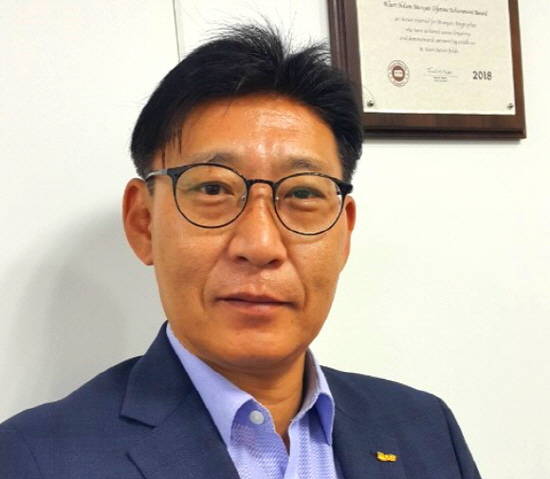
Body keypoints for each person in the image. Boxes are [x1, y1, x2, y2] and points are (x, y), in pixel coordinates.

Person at [0, 25, 481, 478]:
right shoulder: (35, 458)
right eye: (213, 189)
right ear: (143, 223)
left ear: (344, 232)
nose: (260, 245)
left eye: (303, 193)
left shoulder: (424, 428)